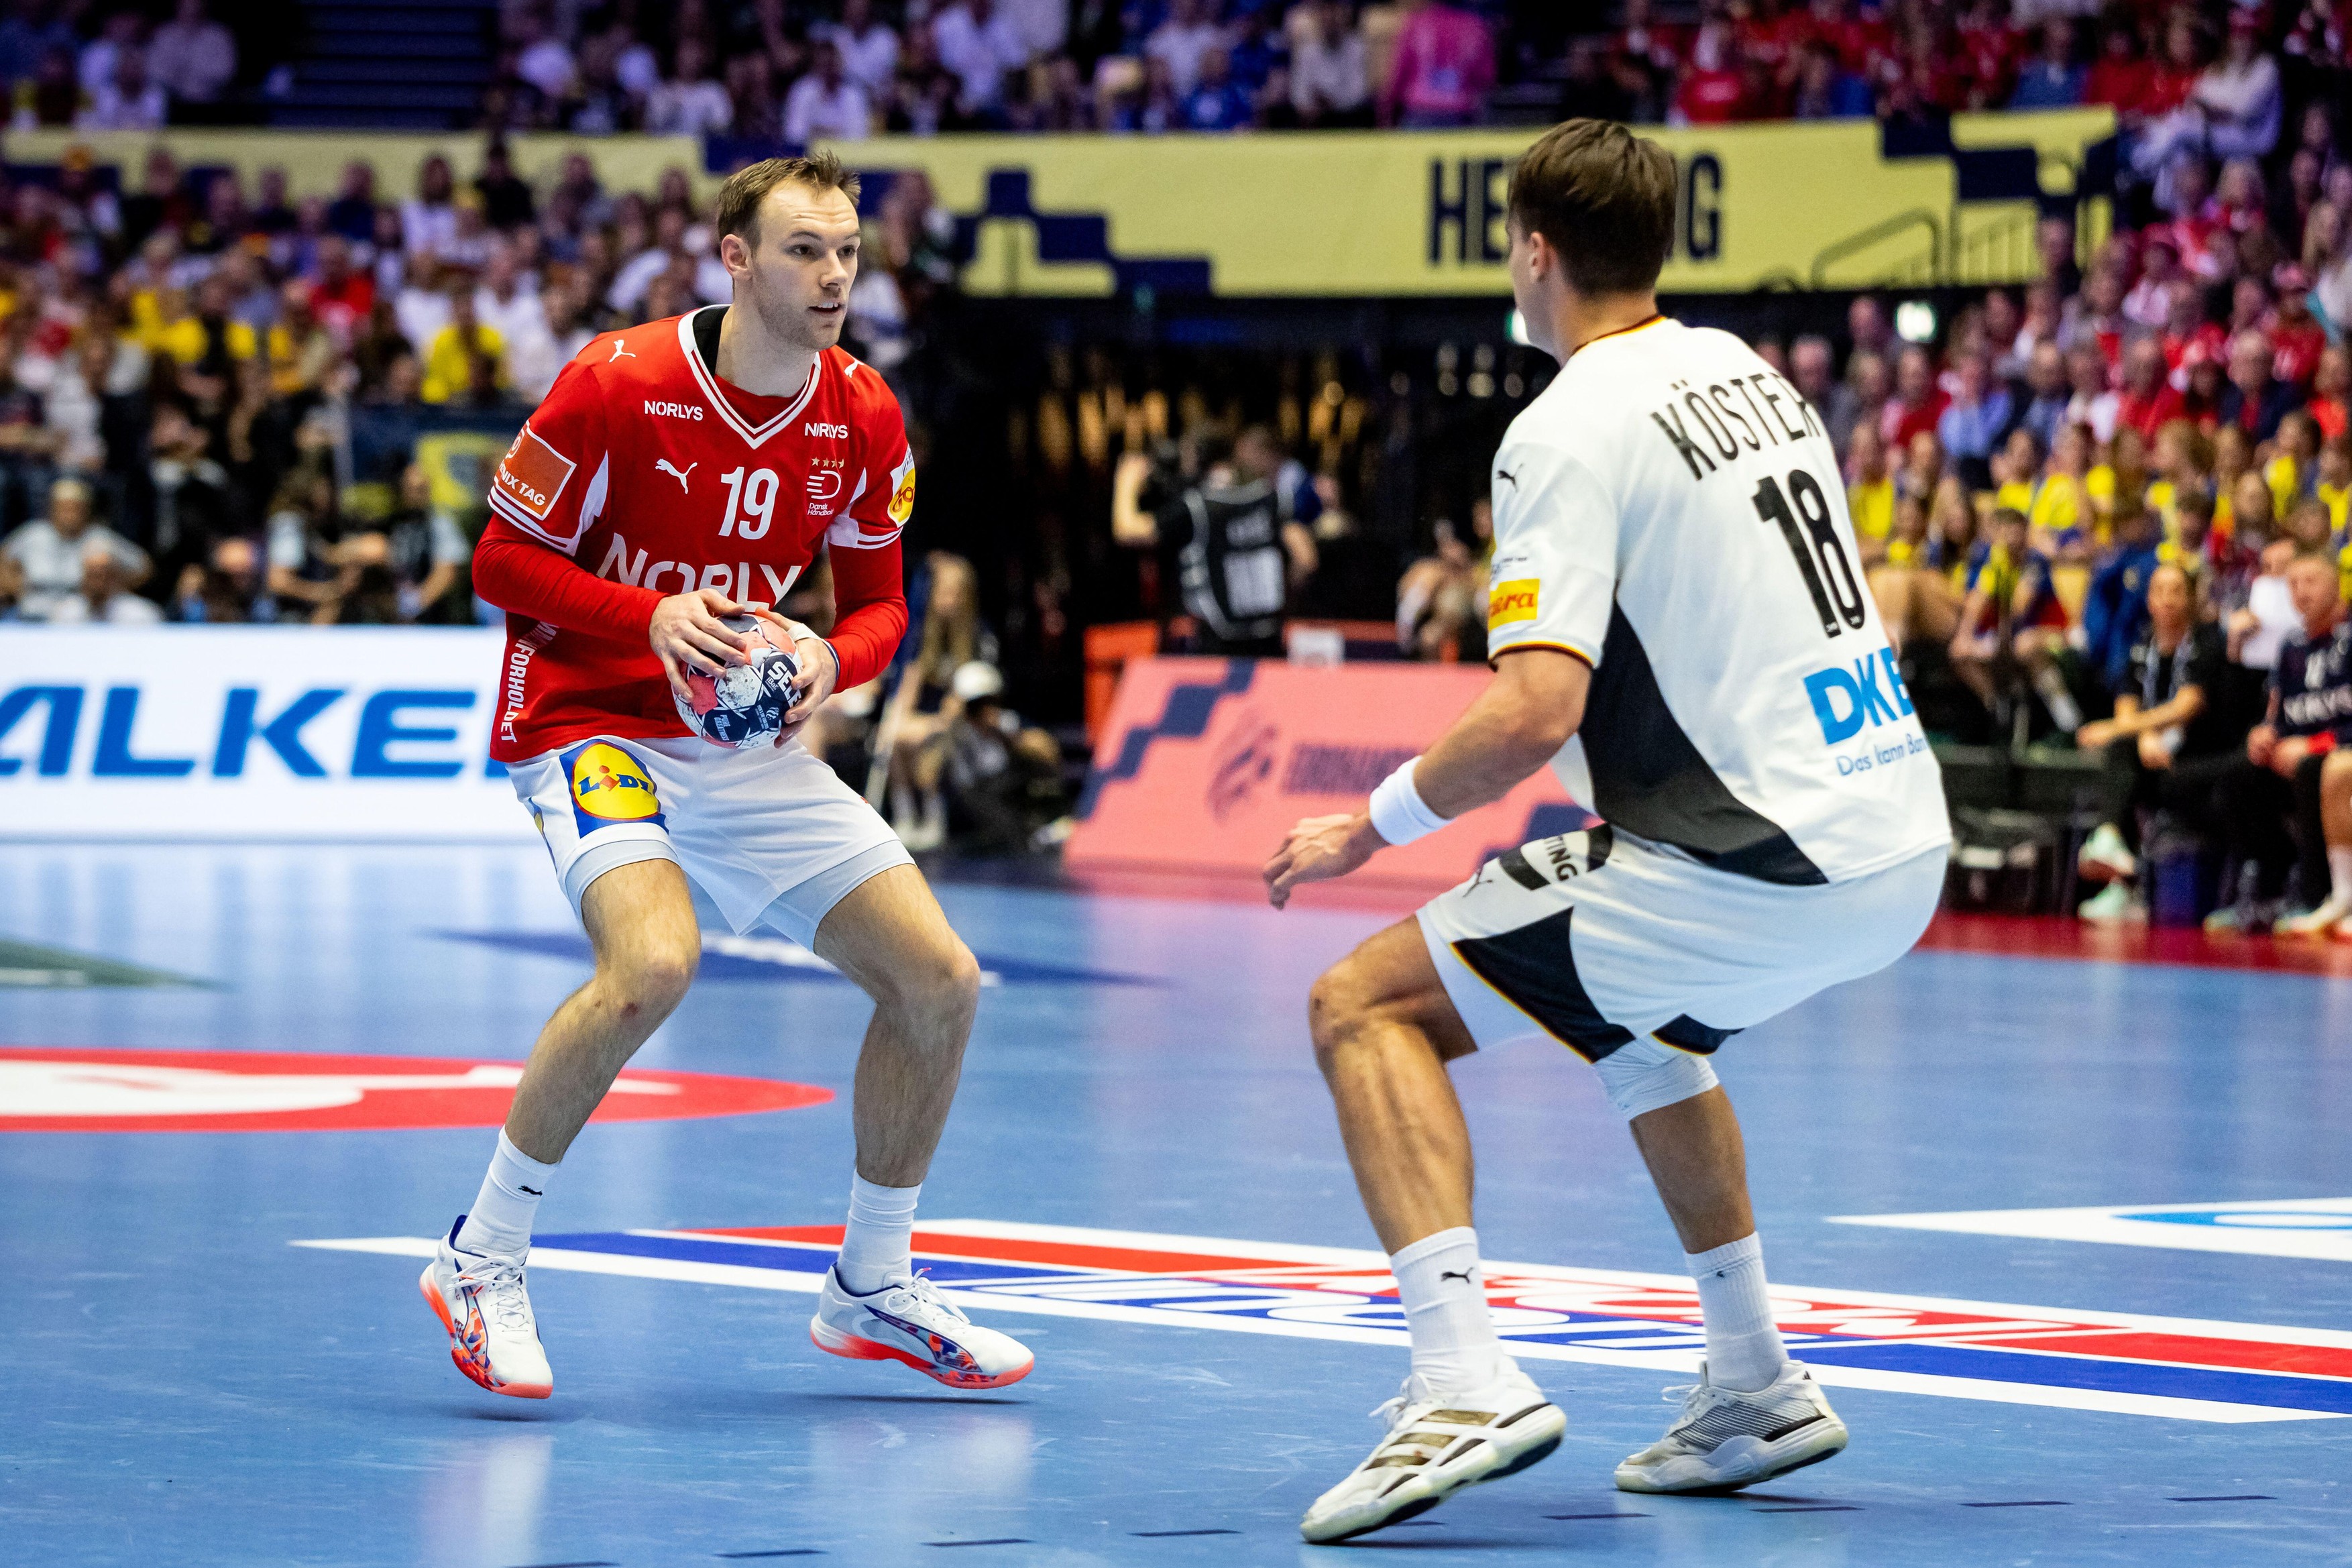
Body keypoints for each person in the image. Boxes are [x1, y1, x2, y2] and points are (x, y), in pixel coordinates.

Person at [1262, 120, 1949, 1543]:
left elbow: (1529, 710)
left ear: (1532, 251)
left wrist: (1364, 825)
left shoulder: (1563, 423)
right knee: (1635, 1022)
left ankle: (1460, 1380)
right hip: (1897, 833)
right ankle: (1754, 1380)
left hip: (1754, 854)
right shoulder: (1747, 372)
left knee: (1361, 1002)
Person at [420, 154, 1031, 1404]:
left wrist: (826, 657)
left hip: (738, 738)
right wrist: (642, 616)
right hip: (589, 713)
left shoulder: (863, 411)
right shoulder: (617, 379)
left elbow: (879, 609)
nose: (835, 275)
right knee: (652, 962)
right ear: (736, 258)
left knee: (940, 982)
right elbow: (496, 561)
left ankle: (870, 1281)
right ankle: (480, 1256)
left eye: (849, 251)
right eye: (806, 249)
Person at [2072, 561, 2237, 920]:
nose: (2167, 600)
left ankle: (2116, 856)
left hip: (2198, 755)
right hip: (2151, 756)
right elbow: (2127, 707)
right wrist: (2142, 736)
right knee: (2124, 753)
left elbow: (2187, 706)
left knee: (2120, 748)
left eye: (2177, 591)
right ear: (2148, 599)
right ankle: (2117, 864)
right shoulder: (2142, 643)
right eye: (2159, 591)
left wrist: (2120, 731)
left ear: (2191, 599)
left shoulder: (2208, 641)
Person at [1111, 424, 1317, 657]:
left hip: (1217, 647)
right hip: (1269, 640)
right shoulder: (1269, 498)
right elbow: (1306, 559)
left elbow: (1128, 531)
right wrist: (1282, 596)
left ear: (1198, 458)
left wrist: (1126, 481)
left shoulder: (1198, 507)